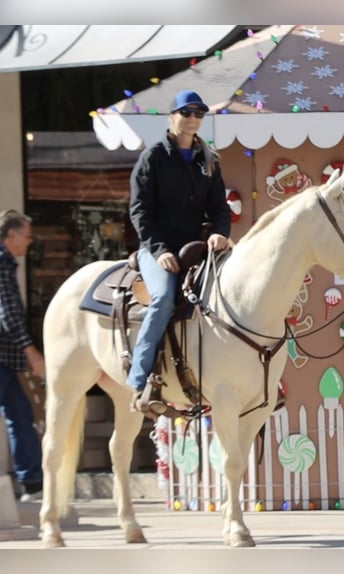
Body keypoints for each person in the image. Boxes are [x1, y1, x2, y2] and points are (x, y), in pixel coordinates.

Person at [128, 90, 231, 417]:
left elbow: (220, 208)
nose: (193, 118)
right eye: (186, 112)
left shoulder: (209, 159)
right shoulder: (153, 157)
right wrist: (158, 251)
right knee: (163, 298)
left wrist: (219, 233)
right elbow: (139, 211)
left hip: (196, 248)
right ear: (172, 116)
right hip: (157, 249)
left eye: (199, 113)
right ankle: (140, 378)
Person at [0, 209, 45, 502]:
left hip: (3, 357)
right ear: (11, 235)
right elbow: (7, 311)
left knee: (20, 417)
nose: (29, 242)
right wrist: (31, 351)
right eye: (27, 236)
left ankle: (31, 483)